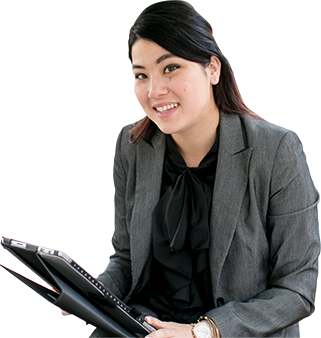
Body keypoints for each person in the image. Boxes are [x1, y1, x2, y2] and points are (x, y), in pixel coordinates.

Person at [94, 1, 320, 337]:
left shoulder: (276, 151)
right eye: (141, 75)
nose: (154, 90)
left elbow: (297, 288)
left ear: (212, 69)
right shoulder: (133, 148)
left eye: (170, 68)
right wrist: (78, 288)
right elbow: (127, 262)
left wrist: (203, 331)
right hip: (144, 328)